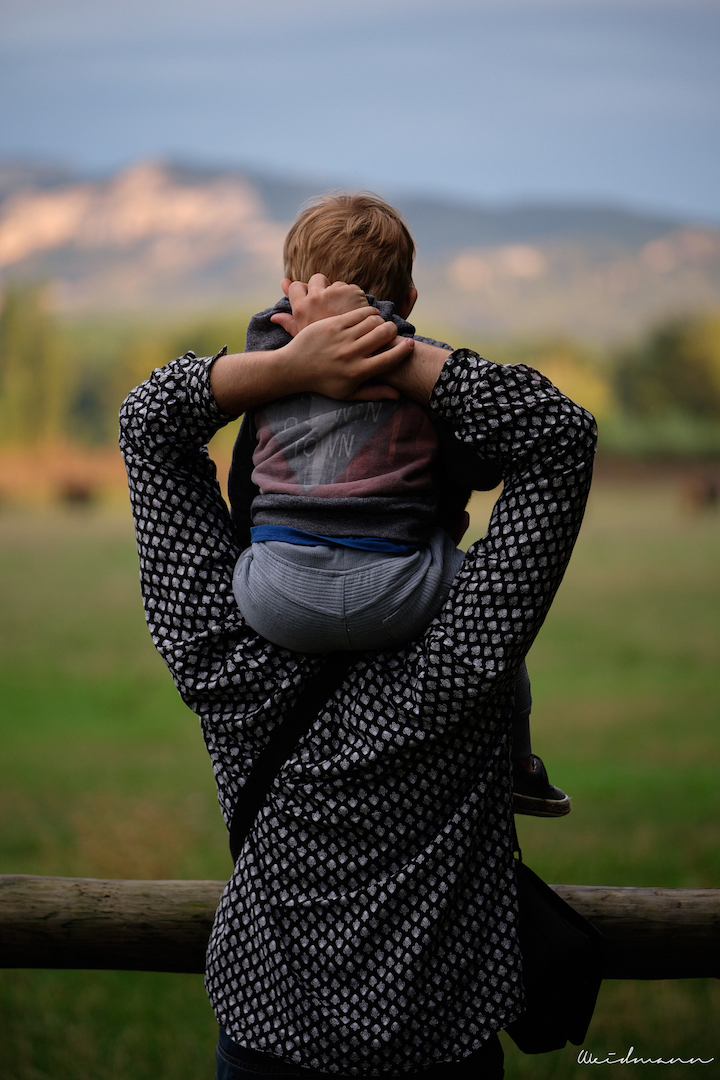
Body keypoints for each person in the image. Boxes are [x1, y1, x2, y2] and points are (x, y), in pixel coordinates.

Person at [120, 298, 596, 1078]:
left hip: (268, 1031)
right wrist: (392, 352)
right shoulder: (464, 661)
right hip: (442, 1038)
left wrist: (294, 364)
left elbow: (148, 424)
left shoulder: (223, 659)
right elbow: (558, 435)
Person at [229, 193, 568, 816]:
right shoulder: (418, 365)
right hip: (401, 593)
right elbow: (477, 464)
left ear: (288, 288)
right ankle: (519, 763)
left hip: (274, 597)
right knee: (499, 628)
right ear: (409, 300)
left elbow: (243, 483)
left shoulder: (266, 365)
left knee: (246, 555)